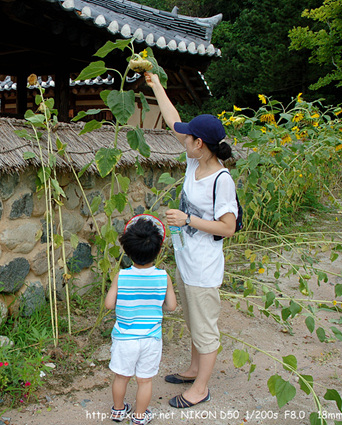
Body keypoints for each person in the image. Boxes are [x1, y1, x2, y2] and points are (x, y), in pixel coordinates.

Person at [144, 71, 239, 409]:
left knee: (205, 328)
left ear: (200, 143)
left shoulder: (221, 179)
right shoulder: (194, 161)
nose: (181, 139)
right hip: (188, 259)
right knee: (194, 320)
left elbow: (228, 227)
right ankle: (194, 369)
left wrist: (188, 220)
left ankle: (200, 388)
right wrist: (156, 85)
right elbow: (175, 122)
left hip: (203, 265)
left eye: (188, 138)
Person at [105, 214, 177, 424]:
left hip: (125, 338)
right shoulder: (164, 277)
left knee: (121, 377)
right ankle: (139, 416)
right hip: (150, 338)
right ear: (158, 249)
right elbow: (171, 306)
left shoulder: (122, 276)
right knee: (145, 381)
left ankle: (118, 411)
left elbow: (109, 304)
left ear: (127, 251)